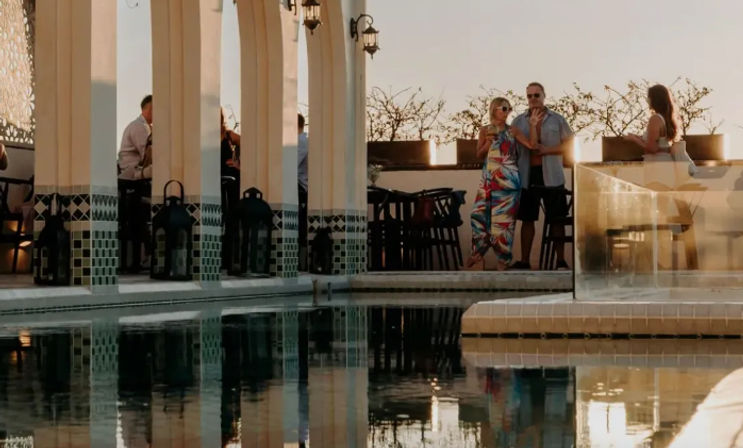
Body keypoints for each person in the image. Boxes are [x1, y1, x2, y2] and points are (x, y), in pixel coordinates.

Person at [465, 98, 537, 270]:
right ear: (494, 110)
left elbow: (532, 145)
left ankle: (502, 261)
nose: (507, 112)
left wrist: (533, 125)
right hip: (489, 181)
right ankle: (478, 253)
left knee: (504, 225)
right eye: (504, 108)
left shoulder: (513, 130)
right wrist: (489, 142)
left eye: (509, 109)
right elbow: (479, 155)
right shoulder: (485, 130)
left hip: (508, 183)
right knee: (478, 216)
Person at [511, 82, 574, 270]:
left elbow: (569, 145)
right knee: (527, 219)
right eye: (529, 96)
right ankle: (524, 261)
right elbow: (512, 148)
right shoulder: (519, 121)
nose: (533, 99)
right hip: (527, 176)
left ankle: (561, 261)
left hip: (552, 175)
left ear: (544, 96)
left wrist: (547, 150)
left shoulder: (557, 119)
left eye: (536, 95)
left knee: (557, 219)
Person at [118, 95, 153, 180]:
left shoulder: (143, 126)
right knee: (163, 168)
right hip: (133, 172)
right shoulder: (140, 126)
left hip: (135, 169)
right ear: (150, 109)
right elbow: (148, 156)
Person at [297, 113, 309, 270]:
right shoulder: (300, 141)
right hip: (299, 186)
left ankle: (300, 262)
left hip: (299, 188)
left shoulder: (300, 142)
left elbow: (289, 166)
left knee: (300, 226)